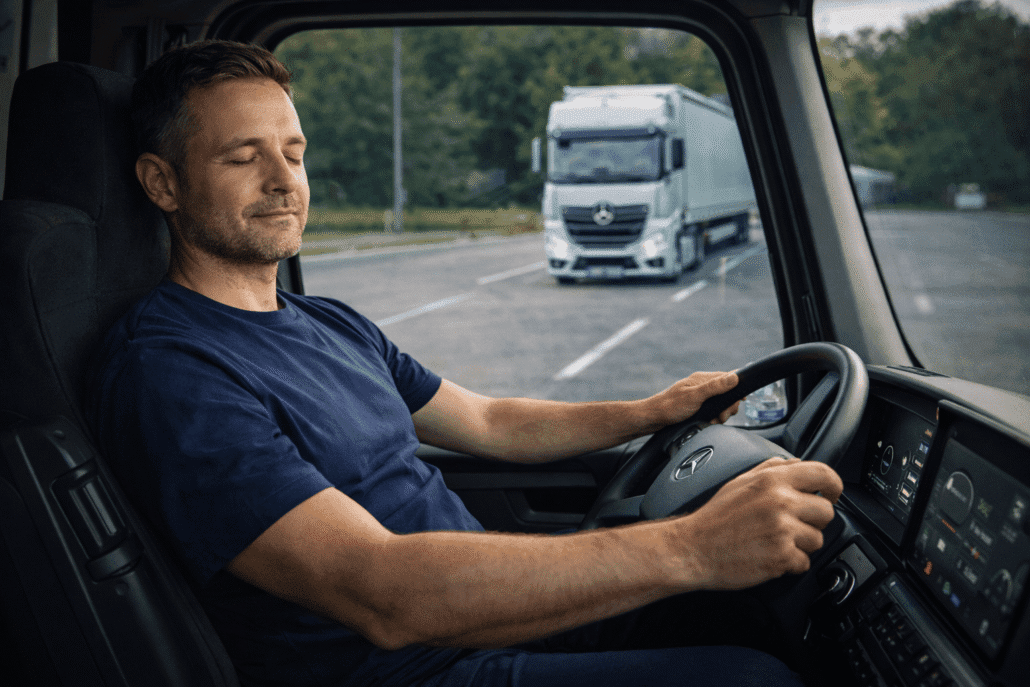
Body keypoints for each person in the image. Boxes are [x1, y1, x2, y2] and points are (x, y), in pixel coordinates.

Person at [88, 40, 844, 687]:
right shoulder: (171, 374)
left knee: (760, 604)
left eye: (293, 152)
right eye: (243, 157)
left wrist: (648, 411)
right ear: (162, 183)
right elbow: (383, 591)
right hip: (416, 666)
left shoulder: (325, 321)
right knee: (753, 678)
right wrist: (692, 546)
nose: (284, 180)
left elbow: (486, 420)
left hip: (483, 620)